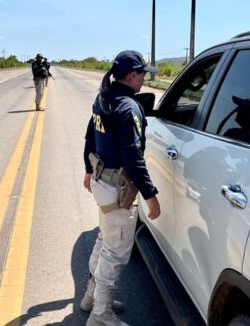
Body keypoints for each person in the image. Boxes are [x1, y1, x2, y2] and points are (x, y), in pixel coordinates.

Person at [81, 50, 161, 326]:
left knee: (105, 239)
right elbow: (133, 157)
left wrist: (89, 170)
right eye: (142, 74)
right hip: (117, 186)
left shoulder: (104, 97)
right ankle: (101, 315)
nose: (144, 80)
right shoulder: (128, 108)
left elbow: (90, 137)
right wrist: (150, 195)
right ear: (130, 76)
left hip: (103, 181)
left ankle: (93, 298)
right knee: (115, 252)